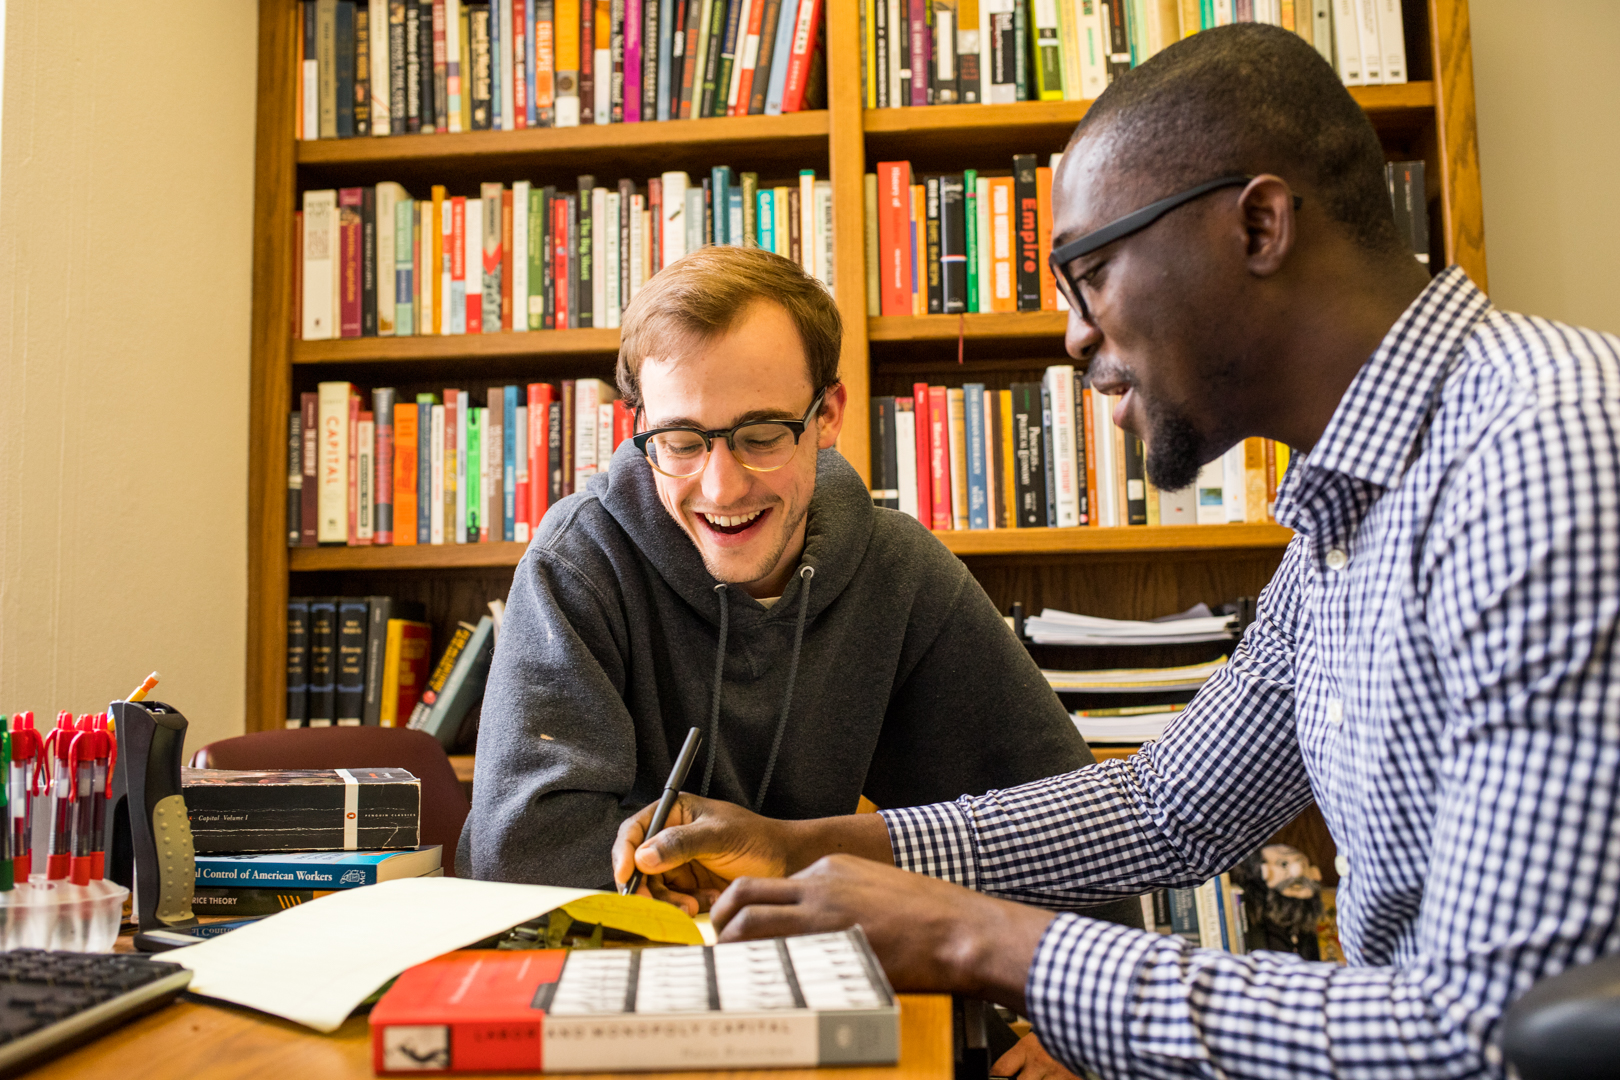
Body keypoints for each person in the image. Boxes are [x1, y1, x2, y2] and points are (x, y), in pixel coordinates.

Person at [609, 24, 1620, 1080]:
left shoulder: (1541, 453)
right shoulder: (1352, 505)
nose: (1075, 335)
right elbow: (1169, 806)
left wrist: (975, 939)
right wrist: (808, 845)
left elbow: (1496, 1038)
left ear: (1261, 225)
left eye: (1090, 272)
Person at [461, 244, 1135, 935]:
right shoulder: (579, 562)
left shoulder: (898, 571)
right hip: (604, 985)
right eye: (682, 441)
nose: (721, 488)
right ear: (641, 429)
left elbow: (1065, 823)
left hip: (809, 971)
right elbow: (520, 860)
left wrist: (1069, 1022)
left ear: (828, 415)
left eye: (761, 436)